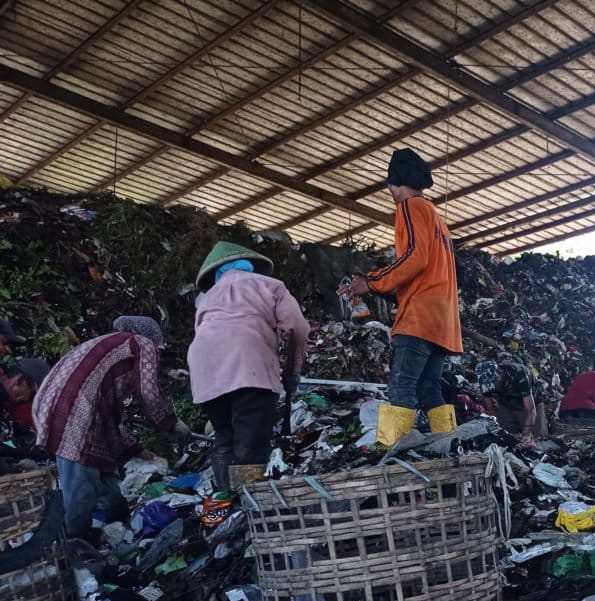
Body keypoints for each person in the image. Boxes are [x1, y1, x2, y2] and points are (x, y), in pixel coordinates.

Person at [338, 148, 461, 444]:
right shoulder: (436, 217)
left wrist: (372, 282)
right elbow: (426, 267)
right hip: (442, 320)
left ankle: (394, 453)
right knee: (429, 387)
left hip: (420, 318)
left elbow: (414, 258)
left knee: (401, 386)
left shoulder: (410, 206)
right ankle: (449, 444)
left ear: (394, 183)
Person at [33, 317, 190, 542]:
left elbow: (113, 422)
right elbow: (149, 393)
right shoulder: (141, 343)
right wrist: (172, 423)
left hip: (52, 404)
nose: (158, 352)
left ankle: (121, 527)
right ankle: (76, 550)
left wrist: (135, 449)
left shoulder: (108, 345)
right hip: (75, 410)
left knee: (103, 473)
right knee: (80, 488)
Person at [188, 241, 309, 491]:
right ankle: (249, 504)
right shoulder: (271, 285)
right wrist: (292, 371)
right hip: (249, 362)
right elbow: (297, 328)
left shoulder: (205, 297)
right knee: (250, 443)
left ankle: (225, 498)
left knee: (224, 437)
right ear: (250, 267)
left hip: (204, 366)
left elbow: (204, 331)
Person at [490, 353, 537, 442]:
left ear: (501, 374)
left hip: (530, 400)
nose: (493, 387)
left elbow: (531, 410)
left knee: (536, 437)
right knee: (507, 437)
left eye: (495, 384)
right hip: (505, 401)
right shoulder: (484, 380)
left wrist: (525, 435)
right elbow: (490, 409)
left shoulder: (520, 373)